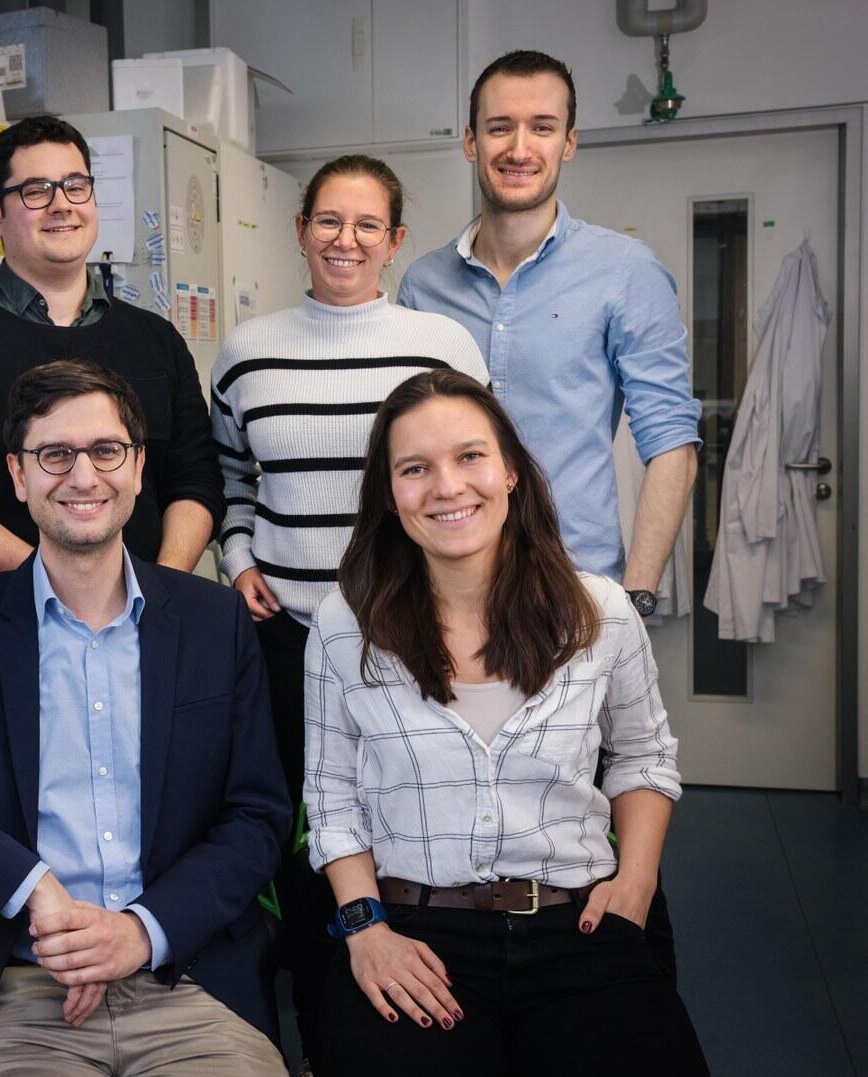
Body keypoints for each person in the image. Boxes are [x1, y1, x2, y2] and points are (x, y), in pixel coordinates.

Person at [0, 360, 292, 1077]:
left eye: (106, 451)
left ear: (138, 469)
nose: (84, 476)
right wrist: (32, 887)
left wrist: (139, 932)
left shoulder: (212, 620)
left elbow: (259, 815)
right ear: (18, 475)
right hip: (18, 994)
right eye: (55, 454)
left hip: (188, 984)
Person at [302, 369, 708, 1074]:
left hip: (577, 923)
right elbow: (331, 795)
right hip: (415, 932)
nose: (448, 486)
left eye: (470, 457)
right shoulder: (346, 624)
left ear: (511, 471)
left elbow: (644, 757)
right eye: (415, 468)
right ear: (390, 495)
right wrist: (365, 928)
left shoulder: (600, 611)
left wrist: (636, 881)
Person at [208, 152, 485, 1070]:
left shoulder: (441, 346)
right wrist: (239, 554)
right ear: (300, 231)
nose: (346, 240)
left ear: (396, 240)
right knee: (299, 830)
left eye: (368, 225)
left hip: (410, 635)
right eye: (329, 220)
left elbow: (470, 483)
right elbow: (230, 477)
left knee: (405, 824)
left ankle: (409, 998)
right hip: (284, 635)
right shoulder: (248, 351)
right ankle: (319, 1014)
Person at [397, 49, 700, 616]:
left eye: (542, 127)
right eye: (499, 128)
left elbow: (672, 447)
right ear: (471, 143)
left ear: (569, 142)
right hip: (445, 596)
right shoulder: (424, 284)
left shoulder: (626, 272)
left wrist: (633, 597)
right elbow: (407, 446)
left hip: (574, 590)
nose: (518, 149)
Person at [0, 115, 223, 584]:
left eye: (75, 186)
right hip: (11, 631)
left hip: (150, 626)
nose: (61, 205)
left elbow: (195, 480)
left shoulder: (157, 340)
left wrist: (157, 591)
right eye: (36, 191)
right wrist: (59, 595)